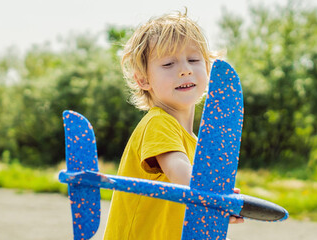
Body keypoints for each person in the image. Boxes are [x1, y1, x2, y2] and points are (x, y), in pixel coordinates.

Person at [103, 9, 243, 240]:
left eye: (194, 60)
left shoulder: (195, 142)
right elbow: (180, 171)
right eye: (168, 64)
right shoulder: (159, 122)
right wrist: (217, 199)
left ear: (208, 68)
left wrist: (219, 206)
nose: (185, 69)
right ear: (143, 79)